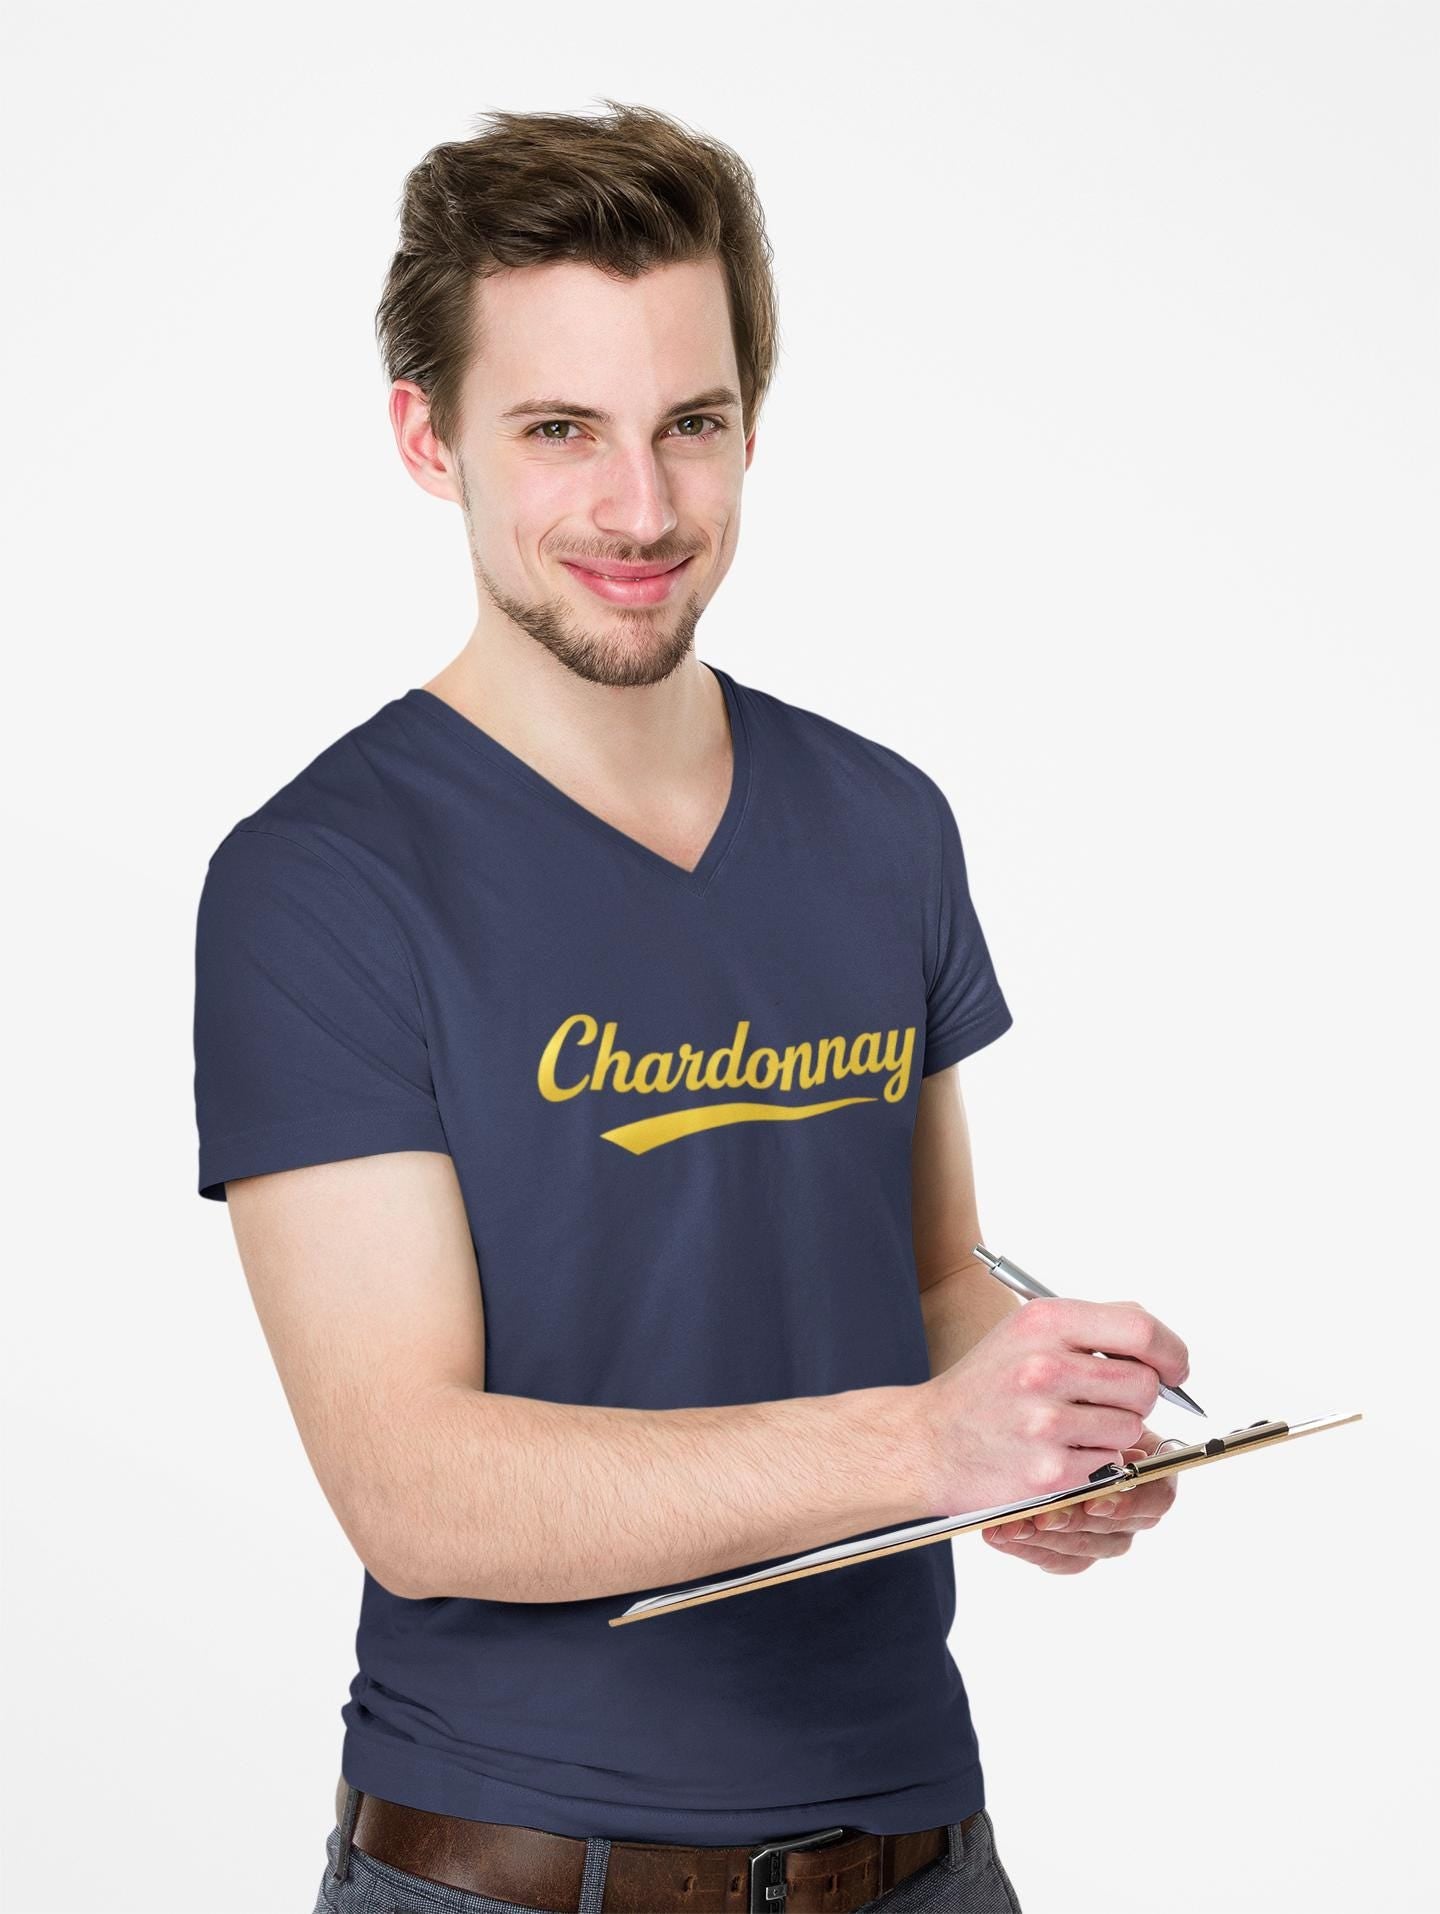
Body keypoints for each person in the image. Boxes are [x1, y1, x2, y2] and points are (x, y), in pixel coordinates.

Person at [193, 100, 1187, 1914]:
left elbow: (929, 1279)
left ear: (749, 424)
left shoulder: (883, 822)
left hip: (921, 1856)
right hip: (514, 1874)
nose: (643, 509)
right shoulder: (322, 881)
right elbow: (414, 1487)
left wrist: (1051, 1427)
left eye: (692, 424)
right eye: (559, 429)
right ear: (428, 438)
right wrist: (927, 1445)